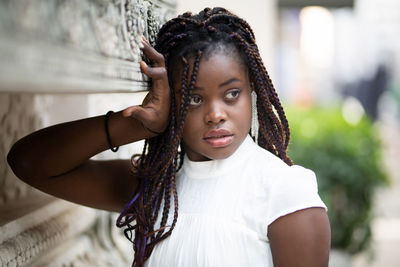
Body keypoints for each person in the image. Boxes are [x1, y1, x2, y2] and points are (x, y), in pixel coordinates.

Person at [7, 7, 331, 267]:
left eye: (232, 94)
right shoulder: (155, 186)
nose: (216, 114)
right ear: (171, 104)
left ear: (253, 93)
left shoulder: (285, 194)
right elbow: (29, 162)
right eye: (193, 98)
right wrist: (136, 127)